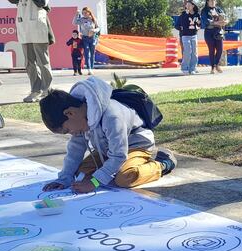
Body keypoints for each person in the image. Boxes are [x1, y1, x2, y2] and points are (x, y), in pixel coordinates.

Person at [39, 77, 177, 193]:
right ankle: (108, 171)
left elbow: (118, 155)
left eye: (67, 130)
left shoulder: (112, 116)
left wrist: (94, 182)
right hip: (107, 150)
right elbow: (75, 150)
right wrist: (63, 179)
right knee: (79, 173)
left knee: (124, 178)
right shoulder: (80, 118)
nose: (72, 133)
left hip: (135, 147)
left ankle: (162, 163)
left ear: (70, 113)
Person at [9, 0, 54, 102]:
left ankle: (47, 89)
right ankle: (35, 90)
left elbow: (42, 3)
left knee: (42, 61)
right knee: (29, 63)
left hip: (37, 26)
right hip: (24, 27)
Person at [201, 0, 226, 74]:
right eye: (210, 1)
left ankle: (216, 65)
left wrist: (225, 22)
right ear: (207, 2)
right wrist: (216, 23)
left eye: (213, 0)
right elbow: (205, 21)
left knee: (220, 49)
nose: (212, 2)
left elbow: (225, 17)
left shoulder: (219, 9)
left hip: (218, 31)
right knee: (211, 50)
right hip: (209, 32)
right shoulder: (204, 10)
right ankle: (212, 67)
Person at [177, 0, 200, 75]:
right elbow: (177, 25)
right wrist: (182, 29)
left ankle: (192, 68)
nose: (188, 6)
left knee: (194, 52)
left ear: (193, 6)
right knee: (187, 51)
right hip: (185, 36)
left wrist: (198, 26)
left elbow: (200, 23)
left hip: (194, 35)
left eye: (189, 5)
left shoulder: (197, 15)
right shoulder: (183, 14)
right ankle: (184, 68)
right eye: (187, 5)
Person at [75, 7, 99, 76]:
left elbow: (98, 28)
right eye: (83, 13)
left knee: (92, 54)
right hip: (85, 38)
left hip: (93, 38)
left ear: (89, 12)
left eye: (85, 12)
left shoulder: (93, 19)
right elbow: (74, 22)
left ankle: (91, 68)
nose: (84, 14)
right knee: (86, 53)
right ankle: (89, 69)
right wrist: (76, 14)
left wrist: (93, 30)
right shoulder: (81, 20)